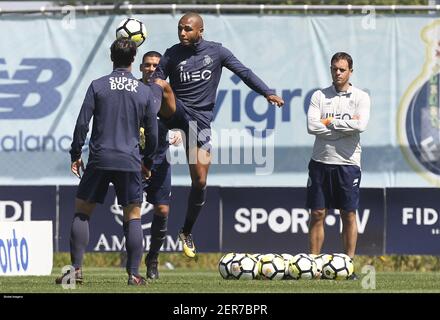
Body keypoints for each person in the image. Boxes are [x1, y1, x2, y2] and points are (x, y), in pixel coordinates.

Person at [153, 12, 284, 259]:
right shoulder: (171, 53)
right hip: (176, 110)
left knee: (200, 181)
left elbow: (244, 73)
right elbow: (154, 81)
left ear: (200, 31)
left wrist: (266, 92)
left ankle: (186, 231)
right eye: (180, 28)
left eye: (187, 29)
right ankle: (151, 126)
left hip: (200, 120)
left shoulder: (217, 52)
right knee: (161, 85)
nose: (182, 33)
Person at [55, 38, 162, 286]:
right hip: (130, 160)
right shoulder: (144, 91)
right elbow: (153, 133)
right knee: (133, 216)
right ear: (134, 59)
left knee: (82, 212)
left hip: (100, 158)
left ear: (111, 57)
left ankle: (76, 272)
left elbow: (82, 123)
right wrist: (147, 161)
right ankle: (134, 274)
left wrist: (75, 154)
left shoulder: (98, 85)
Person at [306, 52, 370, 280]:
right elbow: (312, 127)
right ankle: (312, 267)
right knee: (317, 213)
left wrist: (331, 122)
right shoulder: (319, 96)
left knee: (349, 214)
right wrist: (343, 127)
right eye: (334, 68)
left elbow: (360, 125)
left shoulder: (361, 97)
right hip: (320, 162)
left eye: (342, 69)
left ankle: (348, 266)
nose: (338, 73)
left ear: (351, 71)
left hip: (348, 164)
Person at [139, 51, 182, 279]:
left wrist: (178, 133)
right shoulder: (133, 90)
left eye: (155, 65)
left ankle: (153, 258)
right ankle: (133, 265)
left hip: (161, 161)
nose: (151, 68)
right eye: (147, 65)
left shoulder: (166, 91)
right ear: (140, 67)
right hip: (134, 162)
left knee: (163, 210)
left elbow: (181, 121)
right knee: (132, 211)